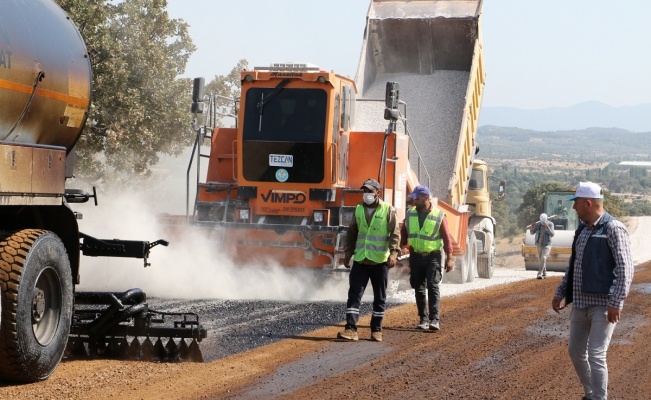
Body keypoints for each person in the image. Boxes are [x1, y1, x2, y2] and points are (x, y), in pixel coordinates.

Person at [551, 181, 633, 400]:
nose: (573, 208)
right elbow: (574, 264)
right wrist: (561, 291)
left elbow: (626, 267)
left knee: (596, 355)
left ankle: (599, 398)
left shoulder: (613, 228)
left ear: (588, 203)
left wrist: (616, 302)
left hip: (603, 304)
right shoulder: (583, 229)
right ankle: (590, 393)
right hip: (580, 302)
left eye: (576, 203)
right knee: (576, 352)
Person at [337, 178, 400, 342]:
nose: (366, 194)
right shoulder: (358, 209)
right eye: (364, 191)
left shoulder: (387, 209)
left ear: (377, 193)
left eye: (369, 191)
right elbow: (352, 232)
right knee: (354, 294)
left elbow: (395, 234)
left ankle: (376, 330)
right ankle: (351, 329)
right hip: (361, 259)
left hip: (379, 261)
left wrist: (394, 254)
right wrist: (348, 253)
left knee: (379, 296)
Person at [400, 185, 454, 331]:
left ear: (425, 198)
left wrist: (450, 258)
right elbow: (404, 231)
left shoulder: (439, 216)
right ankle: (423, 319)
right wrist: (400, 246)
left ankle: (434, 320)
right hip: (416, 256)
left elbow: (446, 238)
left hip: (433, 257)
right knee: (418, 288)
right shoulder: (410, 213)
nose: (414, 201)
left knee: (433, 286)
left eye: (416, 198)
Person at [529, 213, 555, 279]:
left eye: (544, 221)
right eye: (542, 221)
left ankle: (539, 274)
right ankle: (544, 273)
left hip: (547, 244)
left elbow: (552, 234)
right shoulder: (538, 225)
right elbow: (532, 233)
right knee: (541, 260)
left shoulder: (550, 224)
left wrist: (547, 227)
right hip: (539, 244)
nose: (543, 222)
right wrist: (532, 227)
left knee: (544, 258)